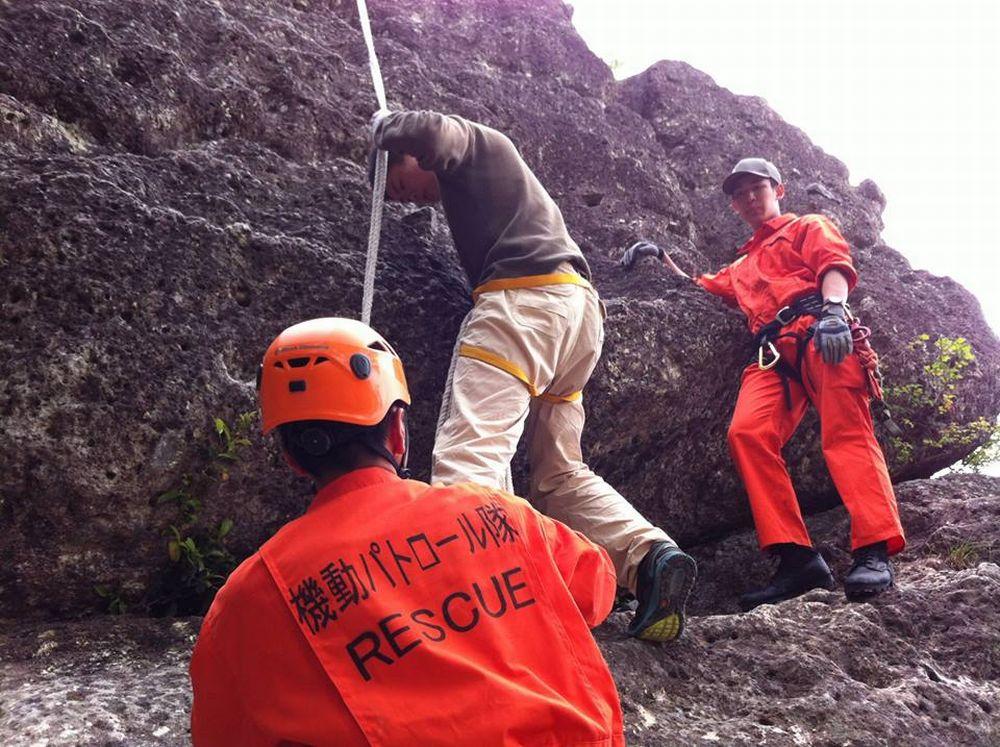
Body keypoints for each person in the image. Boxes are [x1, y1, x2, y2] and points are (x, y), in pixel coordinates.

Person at [189, 317, 627, 745]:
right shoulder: (497, 512)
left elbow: (223, 728)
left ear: (292, 457)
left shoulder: (250, 597)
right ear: (397, 431)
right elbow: (595, 587)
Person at [369, 109, 696, 641]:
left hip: (521, 305)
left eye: (397, 184)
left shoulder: (477, 146)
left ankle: (484, 614)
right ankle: (651, 558)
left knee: (469, 456)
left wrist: (385, 127)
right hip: (577, 319)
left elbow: (433, 132)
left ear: (406, 157)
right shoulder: (490, 185)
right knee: (559, 474)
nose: (403, 198)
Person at [622, 158, 904, 611]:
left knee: (847, 433)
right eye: (740, 194)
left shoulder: (808, 226)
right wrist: (658, 257)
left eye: (757, 188)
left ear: (778, 189)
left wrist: (834, 313)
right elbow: (698, 287)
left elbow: (834, 265)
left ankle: (873, 549)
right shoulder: (742, 265)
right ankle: (796, 558)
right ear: (734, 205)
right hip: (772, 351)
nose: (749, 198)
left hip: (818, 329)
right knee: (747, 433)